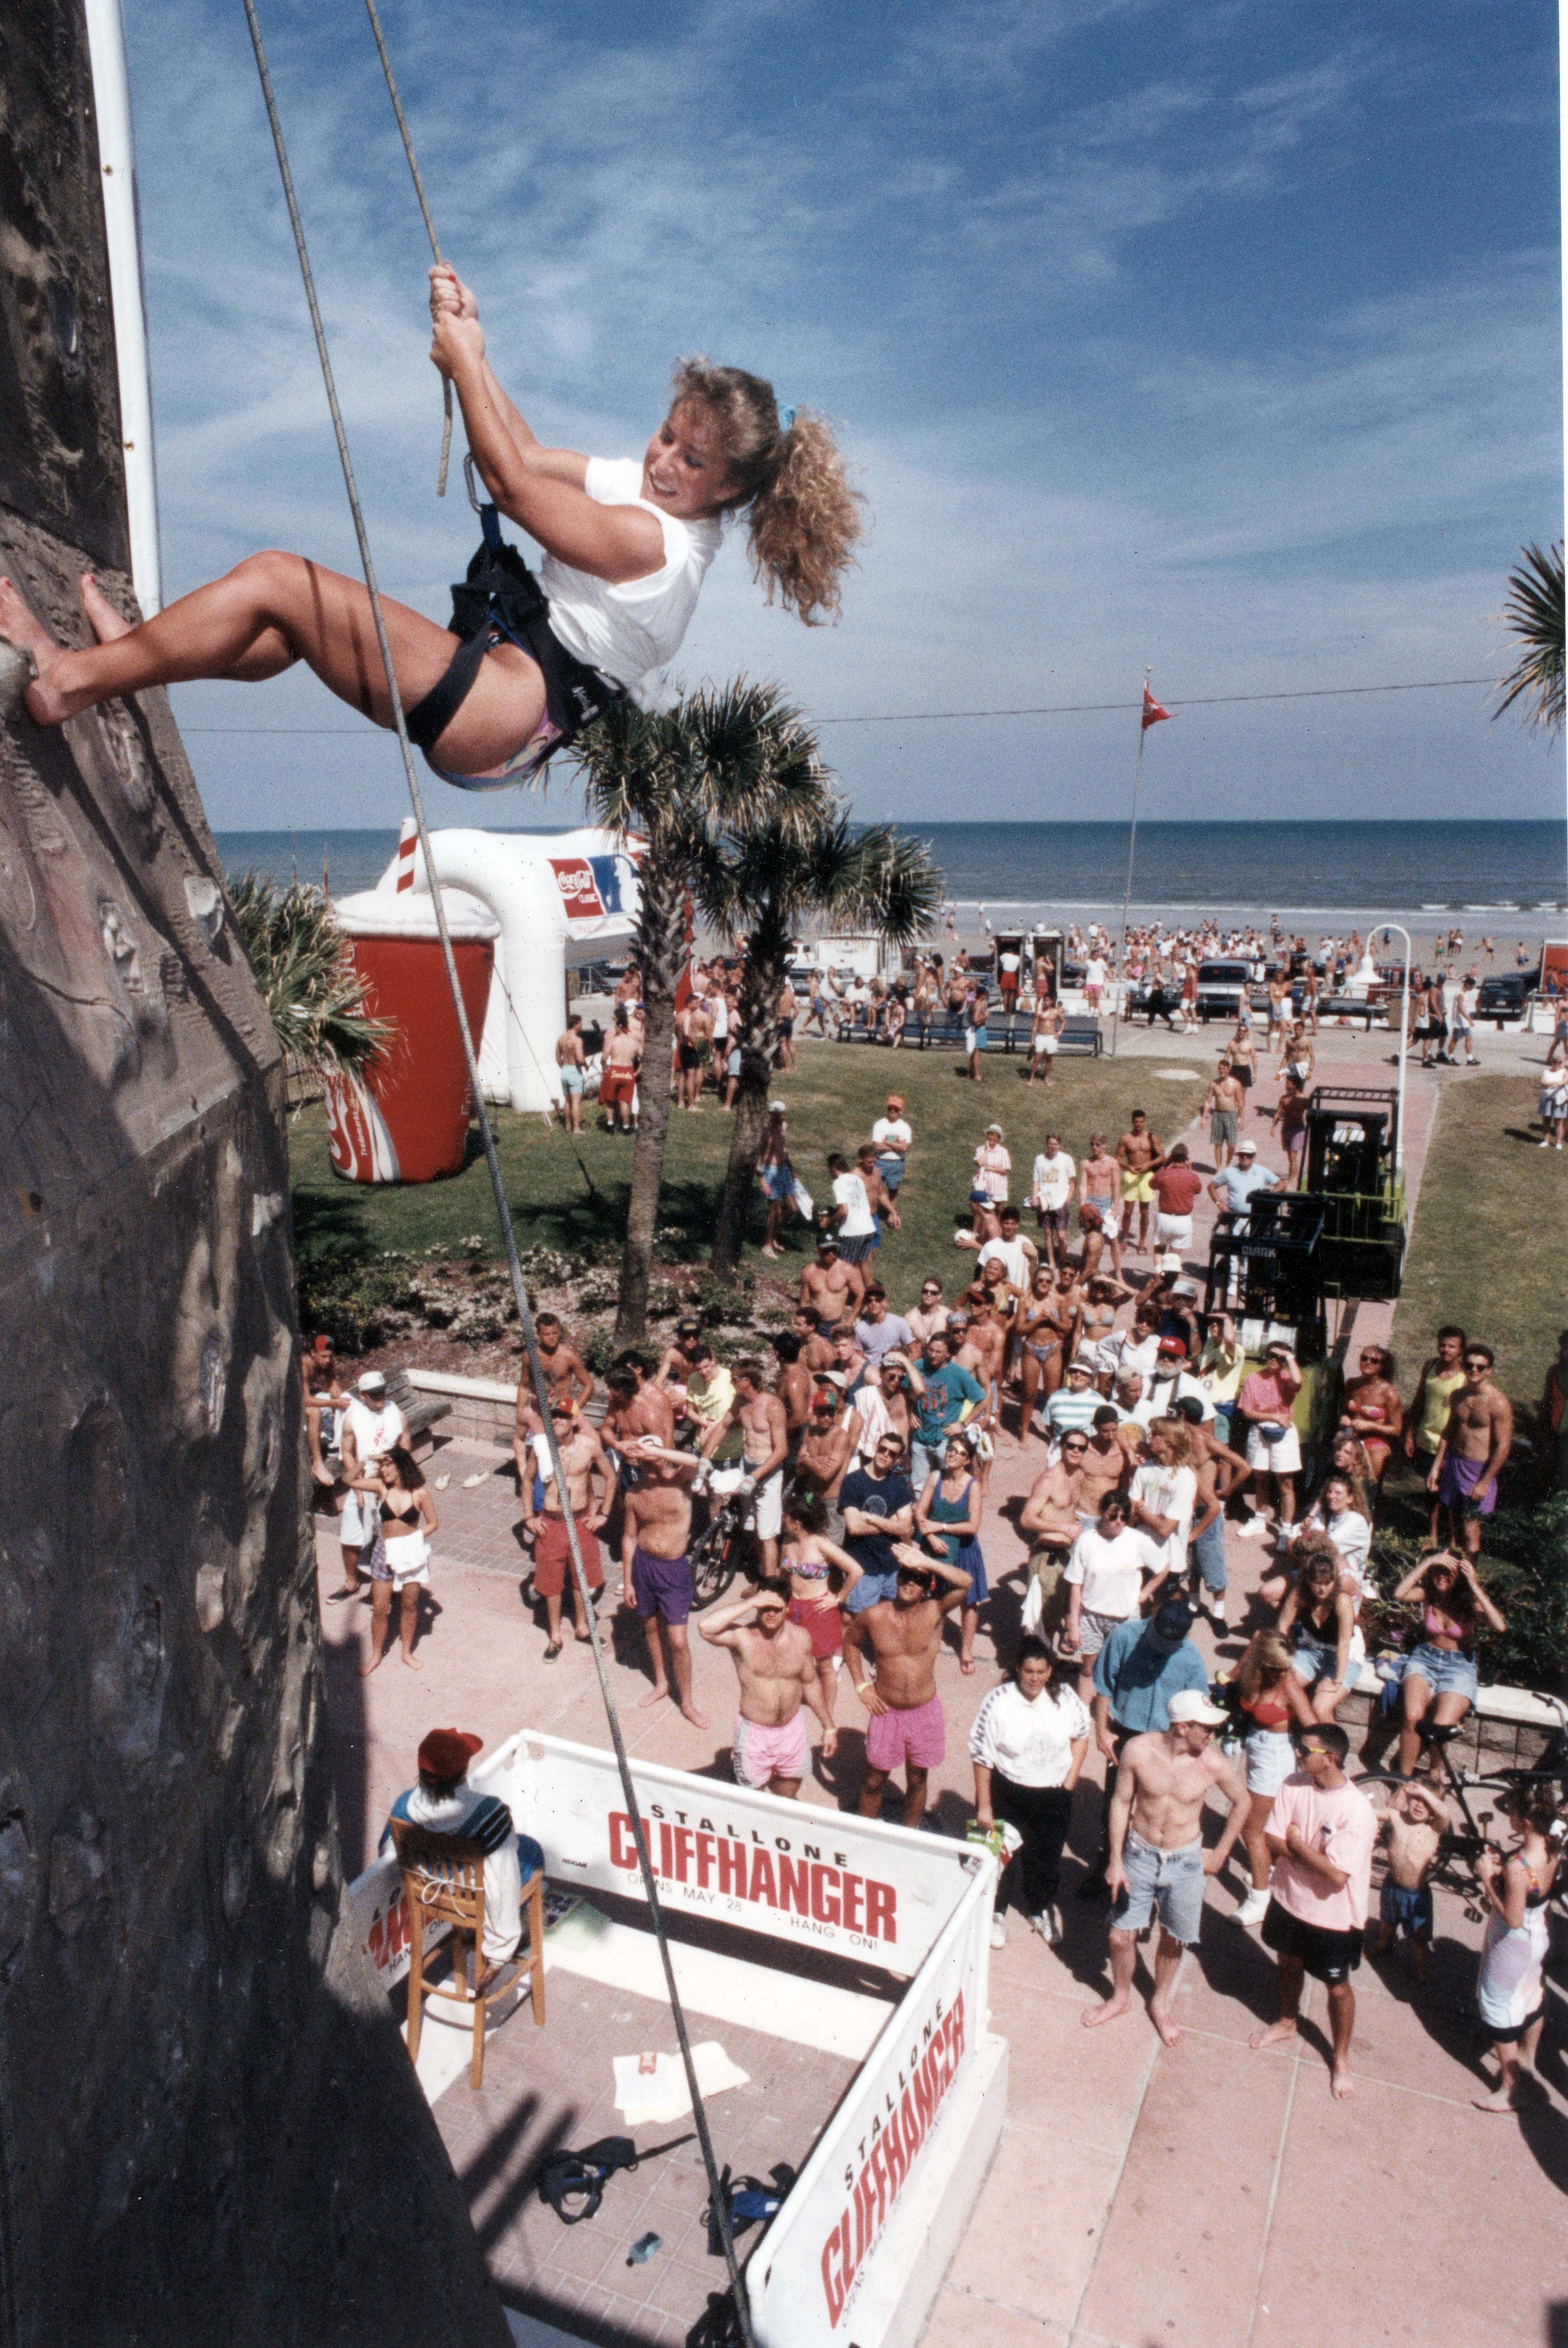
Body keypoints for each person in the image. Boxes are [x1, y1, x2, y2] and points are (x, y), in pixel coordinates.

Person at [8, 282, 861, 796]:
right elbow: (525, 452)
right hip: (499, 705)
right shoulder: (646, 493)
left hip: (497, 712)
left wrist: (461, 362)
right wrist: (475, 346)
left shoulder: (659, 544)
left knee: (276, 577)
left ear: (732, 490)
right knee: (287, 631)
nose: (664, 460)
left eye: (693, 458)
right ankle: (138, 662)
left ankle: (70, 681)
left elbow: (512, 486)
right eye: (667, 434)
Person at [1081, 1689, 1247, 2045]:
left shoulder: (1213, 1763)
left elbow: (1243, 1803)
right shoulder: (1139, 1751)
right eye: (1207, 1728)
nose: (1213, 1736)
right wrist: (1114, 1860)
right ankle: (1121, 1996)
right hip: (1139, 1855)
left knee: (1174, 1937)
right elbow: (1121, 1802)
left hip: (1185, 1862)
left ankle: (1159, 2003)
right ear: (1182, 1728)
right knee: (1119, 1936)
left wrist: (1220, 1852)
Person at [1248, 1722, 1378, 2101]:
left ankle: (1340, 2058)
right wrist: (1308, 1855)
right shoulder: (1293, 1784)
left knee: (1337, 1989)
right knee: (1287, 1962)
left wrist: (1299, 1847)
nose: (1298, 1754)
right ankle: (1288, 2022)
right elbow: (1271, 1838)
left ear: (1331, 1759)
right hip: (1289, 1900)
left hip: (1334, 1918)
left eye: (1306, 1751)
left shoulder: (1357, 1813)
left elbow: (1338, 1877)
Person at [383, 1728, 544, 1966]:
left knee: (518, 1848)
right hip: (473, 1896)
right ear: (462, 1772)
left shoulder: (403, 1805)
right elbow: (504, 1880)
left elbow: (387, 1853)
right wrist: (500, 1950)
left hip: (430, 1890)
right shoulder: (490, 1813)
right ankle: (517, 1933)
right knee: (531, 1851)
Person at [970, 1638, 1091, 1947]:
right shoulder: (998, 1700)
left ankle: (1039, 1910)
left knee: (1046, 1860)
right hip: (1008, 1792)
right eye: (1028, 1671)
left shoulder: (1066, 1698)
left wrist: (1069, 1783)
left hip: (1052, 1796)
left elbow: (1082, 1736)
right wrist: (985, 1807)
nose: (1035, 1678)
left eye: (1041, 1671)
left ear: (1050, 1671)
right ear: (1017, 1670)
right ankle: (996, 1913)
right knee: (1001, 1859)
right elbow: (982, 1755)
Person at [844, 1550, 970, 1827]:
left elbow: (966, 1583)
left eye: (918, 1580)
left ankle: (910, 1835)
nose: (910, 1583)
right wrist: (862, 1685)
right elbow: (850, 1643)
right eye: (906, 1576)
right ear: (898, 1578)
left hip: (924, 1711)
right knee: (874, 1779)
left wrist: (924, 1561)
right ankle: (865, 1834)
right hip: (886, 1711)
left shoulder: (934, 1611)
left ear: (927, 1588)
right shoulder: (874, 1616)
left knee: (918, 1778)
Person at [699, 1578, 837, 1798]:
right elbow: (706, 1628)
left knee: (788, 1799)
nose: (771, 1614)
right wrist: (751, 1602)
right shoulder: (743, 1638)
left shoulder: (801, 1638)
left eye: (777, 1609)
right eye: (764, 1608)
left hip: (792, 1732)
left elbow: (810, 1683)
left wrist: (828, 1727)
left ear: (788, 1607)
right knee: (753, 1804)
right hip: (755, 1735)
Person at [1473, 1785, 1563, 2111]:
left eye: (1511, 1811)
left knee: (1495, 2005)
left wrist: (1487, 1878)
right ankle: (1527, 2061)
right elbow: (1531, 1894)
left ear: (1525, 1821)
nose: (1507, 1816)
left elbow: (1511, 1918)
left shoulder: (1518, 1867)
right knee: (1531, 1996)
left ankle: (1512, 2089)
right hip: (1538, 1935)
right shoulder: (1552, 1847)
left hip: (1514, 1944)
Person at [1389, 1548, 1505, 1777]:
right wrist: (1428, 1562)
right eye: (1437, 1572)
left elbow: (1499, 1626)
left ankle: (1435, 1773)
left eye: (1448, 1573)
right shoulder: (1428, 1596)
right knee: (1413, 1718)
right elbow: (1399, 1594)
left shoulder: (1469, 1604)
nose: (1441, 1577)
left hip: (1458, 1666)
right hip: (1424, 1659)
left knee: (1441, 1727)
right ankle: (1403, 1781)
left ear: (1459, 1577)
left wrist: (1473, 1583)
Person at [1229, 1633, 1317, 1926]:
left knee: (1251, 1829)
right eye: (1276, 1668)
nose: (1283, 1674)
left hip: (1275, 1757)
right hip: (1255, 1748)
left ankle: (1260, 1898)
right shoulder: (1250, 1671)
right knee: (1263, 1825)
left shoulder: (1289, 1685)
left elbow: (1314, 1726)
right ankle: (1266, 1872)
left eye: (1285, 1667)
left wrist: (1312, 1759)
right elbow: (1227, 1686)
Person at [620, 1450, 707, 1727]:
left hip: (674, 1570)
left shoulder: (680, 1483)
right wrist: (628, 1581)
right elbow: (629, 1537)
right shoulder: (634, 1494)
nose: (653, 1472)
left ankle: (688, 1703)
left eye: (656, 1465)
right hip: (644, 1566)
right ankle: (662, 1683)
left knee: (679, 1642)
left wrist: (655, 1452)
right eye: (645, 1465)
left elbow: (696, 1461)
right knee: (651, 1628)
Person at [523, 1399, 611, 1658]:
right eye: (554, 1417)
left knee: (581, 1577)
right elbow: (527, 1480)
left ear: (575, 1420)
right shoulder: (542, 1447)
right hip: (551, 1522)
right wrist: (529, 1517)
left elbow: (611, 1477)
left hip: (581, 1521)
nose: (558, 1421)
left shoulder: (589, 1445)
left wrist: (603, 1513)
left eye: (564, 1417)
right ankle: (555, 1635)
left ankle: (583, 1627)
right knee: (551, 1583)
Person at [1062, 1492, 1166, 1700]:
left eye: (1124, 1517)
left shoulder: (1138, 1541)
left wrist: (1146, 1592)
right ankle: (1083, 1714)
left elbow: (1163, 1567)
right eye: (1113, 1516)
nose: (1119, 1522)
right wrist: (1073, 1623)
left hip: (1125, 1619)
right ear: (1102, 1514)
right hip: (1091, 1618)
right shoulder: (1086, 1540)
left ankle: (1111, 1715)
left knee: (1122, 1670)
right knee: (1089, 1669)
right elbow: (1076, 1586)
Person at [347, 1444, 440, 1675]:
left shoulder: (419, 1493)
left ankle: (407, 1652)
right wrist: (369, 1459)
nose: (383, 1470)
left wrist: (414, 1538)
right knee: (380, 1608)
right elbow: (349, 1480)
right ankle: (376, 1655)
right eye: (382, 1465)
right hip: (384, 1552)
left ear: (401, 1465)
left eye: (388, 1464)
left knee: (409, 1605)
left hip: (410, 1553)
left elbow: (433, 1523)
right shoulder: (381, 1488)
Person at [702, 1358, 789, 1575]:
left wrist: (756, 1476)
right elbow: (723, 1426)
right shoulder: (740, 1403)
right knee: (751, 1526)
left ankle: (770, 1586)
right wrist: (705, 1457)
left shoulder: (772, 1406)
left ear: (747, 1381)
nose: (731, 1383)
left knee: (767, 1534)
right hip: (748, 1466)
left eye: (734, 1379)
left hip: (767, 1472)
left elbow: (781, 1450)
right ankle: (763, 1573)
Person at [1429, 1341, 1514, 1557]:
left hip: (1478, 1469)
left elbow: (1504, 1445)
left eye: (1480, 1367)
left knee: (1471, 1531)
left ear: (1489, 1371)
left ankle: (1469, 1582)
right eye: (1470, 1365)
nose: (1474, 1370)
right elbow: (1449, 1431)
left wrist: (1485, 1482)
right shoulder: (1458, 1396)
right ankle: (1452, 1578)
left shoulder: (1498, 1403)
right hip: (1455, 1462)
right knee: (1454, 1524)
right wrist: (1437, 1466)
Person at [330, 1370, 408, 1602]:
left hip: (390, 1480)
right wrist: (358, 1488)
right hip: (364, 1480)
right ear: (362, 1395)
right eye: (374, 1394)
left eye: (382, 1392)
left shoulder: (396, 1412)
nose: (380, 1397)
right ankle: (351, 1582)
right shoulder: (353, 1417)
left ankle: (386, 1585)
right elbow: (347, 1452)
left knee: (390, 1535)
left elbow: (405, 1442)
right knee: (351, 1532)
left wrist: (397, 1469)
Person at [915, 1432, 987, 1674]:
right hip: (934, 1542)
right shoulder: (935, 1477)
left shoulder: (973, 1486)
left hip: (965, 1547)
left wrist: (941, 1527)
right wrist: (931, 1536)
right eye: (951, 1449)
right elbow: (919, 1512)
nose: (952, 1454)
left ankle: (966, 1649)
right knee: (934, 1597)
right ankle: (931, 1643)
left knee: (970, 1600)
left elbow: (973, 1526)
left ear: (968, 1460)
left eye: (960, 1452)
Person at [1276, 1536, 1361, 1722]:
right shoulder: (1300, 1594)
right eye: (1318, 1583)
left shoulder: (1342, 1601)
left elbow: (1345, 1643)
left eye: (1328, 1583)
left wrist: (1337, 1681)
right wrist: (1283, 1658)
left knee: (1320, 1707)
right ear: (1308, 1580)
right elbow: (1283, 1625)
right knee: (1283, 1689)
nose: (1323, 1589)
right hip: (1311, 1652)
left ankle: (1333, 1749)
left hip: (1344, 1657)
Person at [1368, 1781, 1445, 1983]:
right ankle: (1385, 1943)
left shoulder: (1433, 1829)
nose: (1420, 1805)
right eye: (1416, 1800)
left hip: (1416, 1896)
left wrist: (1422, 1791)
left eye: (1426, 1803)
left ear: (1433, 1810)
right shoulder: (1398, 1817)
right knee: (1387, 1921)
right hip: (1391, 1885)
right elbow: (1374, 1812)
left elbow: (1445, 1814)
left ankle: (1423, 1970)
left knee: (1417, 1939)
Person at [1020, 1435, 1089, 1646]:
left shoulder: (1078, 1475)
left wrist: (1071, 1519)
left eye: (1082, 1448)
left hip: (1067, 1553)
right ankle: (1033, 1665)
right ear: (1061, 1447)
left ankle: (1045, 1662)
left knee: (1060, 1612)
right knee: (1041, 1619)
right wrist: (1062, 1527)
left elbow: (1066, 1509)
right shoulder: (1048, 1480)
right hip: (1047, 1556)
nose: (1076, 1451)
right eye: (1071, 1446)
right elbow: (1026, 1520)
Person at [839, 1433, 918, 1613]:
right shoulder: (853, 1481)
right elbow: (855, 1528)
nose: (885, 1455)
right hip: (863, 1566)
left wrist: (871, 1518)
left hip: (892, 1566)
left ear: (897, 1459)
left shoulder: (899, 1485)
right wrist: (892, 1524)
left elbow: (906, 1528)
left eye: (892, 1453)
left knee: (891, 1618)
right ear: (876, 1448)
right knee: (854, 1620)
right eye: (883, 1449)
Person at [1234, 1339, 1303, 1546]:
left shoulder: (1288, 1379)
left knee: (1286, 1483)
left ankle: (1286, 1530)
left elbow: (1298, 1382)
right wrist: (1274, 1417)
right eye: (1272, 1355)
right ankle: (1259, 1520)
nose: (1275, 1360)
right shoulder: (1253, 1379)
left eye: (1280, 1358)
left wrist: (1290, 1356)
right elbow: (1247, 1412)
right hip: (1261, 1430)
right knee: (1261, 1478)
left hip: (1284, 1434)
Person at [1403, 1325, 1468, 1538]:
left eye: (1452, 1346)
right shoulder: (1430, 1366)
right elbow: (1419, 1400)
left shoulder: (1466, 1376)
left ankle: (1452, 1537)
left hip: (1451, 1442)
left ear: (1461, 1350)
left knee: (1449, 1491)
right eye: (1443, 1345)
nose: (1446, 1350)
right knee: (1430, 1488)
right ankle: (1431, 1534)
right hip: (1426, 1437)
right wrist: (1410, 1432)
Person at [909, 1330, 985, 1488]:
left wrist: (963, 1425)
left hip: (945, 1438)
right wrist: (910, 1412)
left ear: (949, 1354)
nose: (933, 1355)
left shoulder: (959, 1374)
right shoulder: (918, 1367)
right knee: (919, 1485)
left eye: (939, 1352)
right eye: (930, 1350)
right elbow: (904, 1392)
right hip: (920, 1435)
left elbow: (982, 1400)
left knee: (948, 1482)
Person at [513, 1310, 594, 1443]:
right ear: (539, 1335)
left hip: (563, 1408)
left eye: (555, 1333)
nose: (552, 1337)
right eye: (547, 1334)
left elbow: (589, 1385)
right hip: (539, 1408)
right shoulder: (530, 1357)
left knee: (588, 1442)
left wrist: (575, 1409)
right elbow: (524, 1386)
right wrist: (520, 1413)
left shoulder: (569, 1356)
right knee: (532, 1448)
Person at [1340, 1345, 1403, 1486]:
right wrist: (1344, 1417)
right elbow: (1345, 1410)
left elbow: (1397, 1429)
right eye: (1364, 1358)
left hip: (1376, 1445)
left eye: (1375, 1361)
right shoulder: (1352, 1384)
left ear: (1382, 1366)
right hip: (1352, 1439)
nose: (1368, 1363)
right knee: (1345, 1486)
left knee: (1369, 1487)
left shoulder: (1389, 1394)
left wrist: (1370, 1426)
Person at [1115, 1111, 1162, 1258]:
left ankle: (1141, 1242)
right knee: (1128, 1211)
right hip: (1131, 1175)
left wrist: (1148, 1165)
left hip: (1146, 1176)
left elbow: (1162, 1157)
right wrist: (1128, 1167)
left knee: (1144, 1212)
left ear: (1144, 1121)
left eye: (1141, 1122)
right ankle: (1124, 1239)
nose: (1139, 1125)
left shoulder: (1152, 1137)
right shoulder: (1126, 1138)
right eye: (1136, 1122)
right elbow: (1118, 1158)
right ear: (1132, 1122)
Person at [800, 1231, 866, 1333]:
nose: (832, 1254)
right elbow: (805, 1301)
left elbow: (862, 1294)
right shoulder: (809, 1271)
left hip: (834, 1325)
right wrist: (805, 1323)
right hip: (813, 1323)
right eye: (827, 1250)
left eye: (834, 1250)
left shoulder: (847, 1270)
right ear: (818, 1250)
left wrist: (850, 1320)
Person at [758, 1104, 797, 1258]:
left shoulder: (784, 1127)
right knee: (775, 1211)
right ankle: (767, 1245)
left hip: (784, 1170)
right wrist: (762, 1180)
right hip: (770, 1172)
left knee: (793, 1208)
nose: (784, 1118)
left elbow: (783, 1150)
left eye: (784, 1114)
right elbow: (757, 1158)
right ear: (772, 1115)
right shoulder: (766, 1132)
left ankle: (773, 1236)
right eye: (781, 1115)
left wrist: (792, 1169)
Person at [1150, 1144, 1202, 1258]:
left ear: (1172, 1158)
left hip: (1164, 1219)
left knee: (1160, 1249)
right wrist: (1189, 1169)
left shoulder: (1164, 1174)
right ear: (1186, 1159)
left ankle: (1159, 1273)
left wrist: (1165, 1166)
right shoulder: (1192, 1177)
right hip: (1183, 1221)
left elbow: (1152, 1184)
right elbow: (1198, 1189)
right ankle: (1173, 1272)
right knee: (1175, 1253)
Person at [600, 1004, 640, 1133]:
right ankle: (626, 1127)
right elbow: (644, 1058)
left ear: (618, 1026)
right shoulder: (634, 1042)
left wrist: (605, 1067)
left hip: (614, 1070)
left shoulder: (613, 1040)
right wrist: (637, 1072)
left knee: (610, 1100)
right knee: (625, 1101)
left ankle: (611, 1125)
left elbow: (604, 1058)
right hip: (628, 1072)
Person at [855, 1284, 915, 1371]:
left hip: (896, 1372)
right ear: (866, 1304)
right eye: (870, 1301)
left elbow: (915, 1352)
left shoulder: (899, 1323)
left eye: (878, 1300)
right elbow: (859, 1359)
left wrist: (903, 1366)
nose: (874, 1304)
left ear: (885, 1302)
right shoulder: (860, 1329)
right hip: (873, 1373)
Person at [1203, 1056, 1245, 1172]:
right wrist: (1204, 1118)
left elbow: (1241, 1102)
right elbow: (1208, 1101)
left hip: (1231, 1115)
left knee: (1232, 1144)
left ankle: (1227, 1164)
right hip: (1218, 1115)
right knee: (1218, 1143)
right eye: (1220, 1069)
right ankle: (1219, 1168)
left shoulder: (1235, 1083)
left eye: (1224, 1069)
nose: (1221, 1071)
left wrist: (1241, 1118)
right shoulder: (1214, 1084)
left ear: (1229, 1070)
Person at [1269, 1072, 1310, 1187]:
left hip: (1298, 1129)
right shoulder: (1284, 1099)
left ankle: (1292, 1180)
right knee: (1290, 1156)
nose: (1286, 1085)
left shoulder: (1303, 1099)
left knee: (1293, 1155)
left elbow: (1312, 1113)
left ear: (1295, 1085)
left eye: (1288, 1083)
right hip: (1287, 1127)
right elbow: (1278, 1113)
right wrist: (1273, 1126)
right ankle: (1295, 1176)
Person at [872, 1096, 912, 1208]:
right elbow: (878, 1146)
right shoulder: (880, 1125)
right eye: (890, 1108)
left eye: (896, 1109)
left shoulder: (905, 1127)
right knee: (875, 1188)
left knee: (893, 1191)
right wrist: (898, 1145)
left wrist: (888, 1143)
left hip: (897, 1164)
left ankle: (891, 1215)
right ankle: (873, 1211)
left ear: (901, 1111)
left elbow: (905, 1148)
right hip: (880, 1162)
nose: (893, 1111)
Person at [970, 1123, 1012, 1231]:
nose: (992, 1139)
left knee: (999, 1209)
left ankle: (997, 1232)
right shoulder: (981, 1149)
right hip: (983, 1185)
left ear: (998, 1138)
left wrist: (989, 1168)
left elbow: (1005, 1169)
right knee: (980, 1208)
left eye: (995, 1137)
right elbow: (980, 1163)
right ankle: (978, 1233)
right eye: (990, 1136)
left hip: (998, 1185)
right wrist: (987, 1150)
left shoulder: (1003, 1152)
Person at [555, 1013, 586, 1130]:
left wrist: (563, 1067)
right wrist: (585, 1064)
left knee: (567, 1101)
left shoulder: (561, 1038)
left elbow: (558, 1058)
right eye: (580, 1023)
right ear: (575, 1024)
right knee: (576, 1102)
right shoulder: (577, 1040)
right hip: (574, 1070)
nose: (582, 1026)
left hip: (565, 1070)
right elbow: (579, 1058)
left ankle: (568, 1126)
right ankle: (577, 1128)